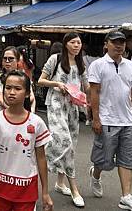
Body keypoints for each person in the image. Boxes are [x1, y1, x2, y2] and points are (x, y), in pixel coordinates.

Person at [0, 70, 53, 211]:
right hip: (1, 189)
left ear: (27, 93)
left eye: (17, 88)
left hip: (27, 190)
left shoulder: (36, 122)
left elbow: (41, 158)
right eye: (8, 88)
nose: (11, 92)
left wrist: (45, 192)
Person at [88, 31, 132, 211]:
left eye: (122, 42)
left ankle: (126, 197)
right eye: (115, 42)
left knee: (128, 159)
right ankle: (95, 174)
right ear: (106, 44)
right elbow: (94, 92)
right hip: (106, 120)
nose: (119, 45)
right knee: (103, 161)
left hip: (127, 121)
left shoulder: (130, 66)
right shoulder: (98, 65)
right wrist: (96, 118)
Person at [37, 32, 88, 208]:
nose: (76, 45)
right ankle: (74, 188)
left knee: (70, 146)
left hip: (73, 107)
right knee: (64, 139)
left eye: (79, 43)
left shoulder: (82, 63)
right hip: (56, 103)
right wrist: (57, 84)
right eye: (73, 42)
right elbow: (40, 81)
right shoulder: (55, 59)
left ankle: (60, 183)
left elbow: (87, 86)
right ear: (66, 44)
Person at [0, 47, 36, 112]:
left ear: (17, 60)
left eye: (11, 59)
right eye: (5, 58)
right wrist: (14, 111)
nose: (7, 61)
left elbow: (31, 97)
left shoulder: (23, 75)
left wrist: (31, 114)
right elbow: (1, 101)